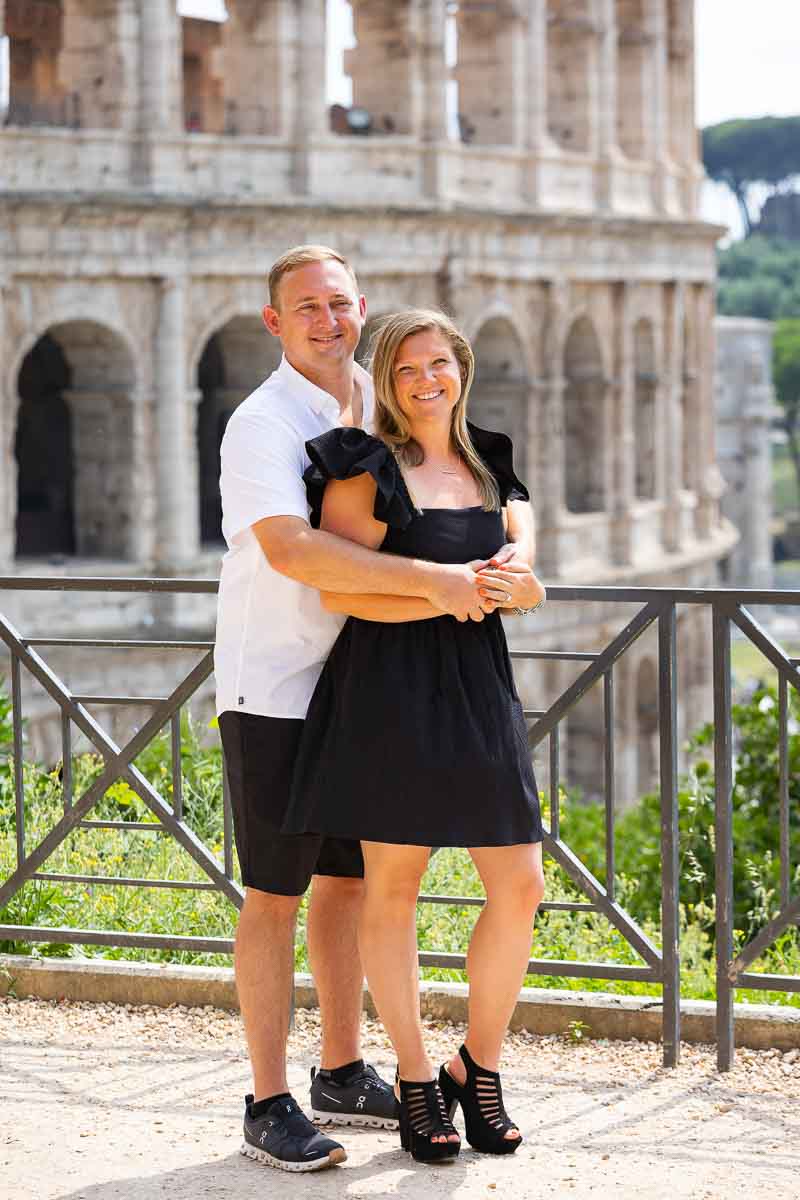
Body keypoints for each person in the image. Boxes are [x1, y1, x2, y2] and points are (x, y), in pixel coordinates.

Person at [214, 247, 540, 1173]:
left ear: (362, 312)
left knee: (350, 887)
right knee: (275, 892)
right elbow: (296, 553)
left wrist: (502, 564)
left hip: (364, 686)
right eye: (305, 308)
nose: (327, 321)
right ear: (274, 322)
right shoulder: (261, 424)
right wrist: (445, 584)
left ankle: (342, 1066)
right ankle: (268, 1100)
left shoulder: (377, 398)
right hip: (279, 680)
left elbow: (489, 495)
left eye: (340, 304)